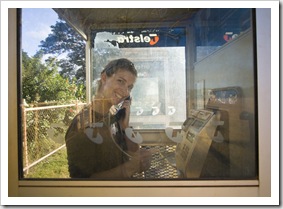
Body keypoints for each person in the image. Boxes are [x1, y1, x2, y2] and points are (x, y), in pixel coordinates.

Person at [65, 58, 153, 179]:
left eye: (129, 87)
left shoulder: (113, 114)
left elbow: (133, 151)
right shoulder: (83, 125)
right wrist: (130, 168)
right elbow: (82, 183)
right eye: (120, 81)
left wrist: (125, 127)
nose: (125, 91)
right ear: (104, 78)